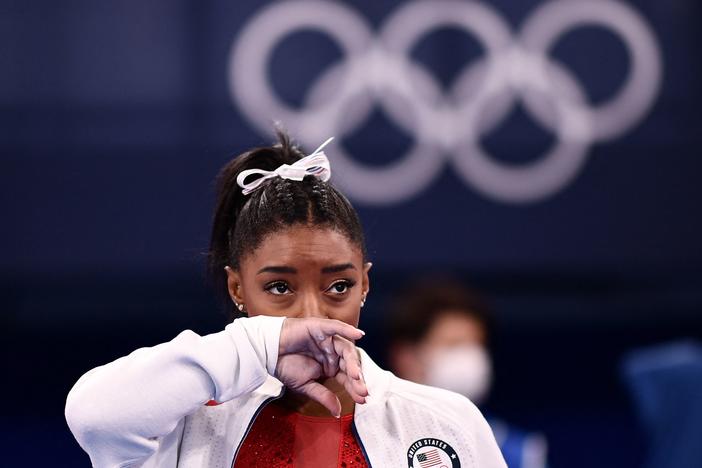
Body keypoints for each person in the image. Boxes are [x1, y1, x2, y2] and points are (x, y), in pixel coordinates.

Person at [65, 131, 506, 468]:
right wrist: (255, 346)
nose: (312, 317)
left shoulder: (444, 422)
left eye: (339, 287)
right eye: (280, 288)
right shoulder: (187, 421)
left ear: (365, 285)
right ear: (238, 288)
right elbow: (93, 416)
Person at [386, 279, 548, 468]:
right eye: (454, 344)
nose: (469, 357)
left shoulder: (519, 451)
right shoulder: (373, 437)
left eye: (476, 344)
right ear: (406, 357)